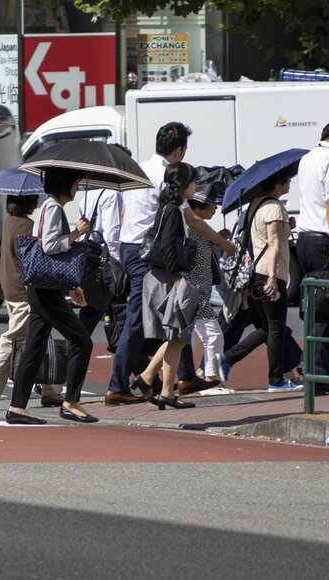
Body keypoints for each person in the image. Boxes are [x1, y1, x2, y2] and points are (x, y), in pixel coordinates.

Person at [111, 122, 228, 405]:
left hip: (130, 246)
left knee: (179, 313)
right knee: (140, 320)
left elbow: (124, 211)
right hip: (151, 252)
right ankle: (119, 385)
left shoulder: (137, 168)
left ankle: (182, 375)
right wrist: (224, 244)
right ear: (178, 151)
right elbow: (192, 220)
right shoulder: (168, 176)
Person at [7, 167, 96, 425]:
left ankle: (17, 407)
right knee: (82, 341)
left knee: (34, 348)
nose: (78, 187)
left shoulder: (48, 207)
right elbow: (50, 246)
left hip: (42, 287)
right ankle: (71, 402)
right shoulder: (54, 208)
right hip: (46, 292)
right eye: (76, 182)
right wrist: (77, 234)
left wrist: (70, 286)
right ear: (65, 183)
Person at [0, 193, 65, 410]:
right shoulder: (26, 226)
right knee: (14, 338)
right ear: (26, 202)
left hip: (11, 288)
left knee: (40, 336)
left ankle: (51, 390)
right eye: (34, 198)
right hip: (24, 291)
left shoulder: (9, 221)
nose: (37, 201)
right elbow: (34, 261)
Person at [214, 170, 304, 392]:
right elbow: (273, 243)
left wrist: (286, 226)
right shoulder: (274, 208)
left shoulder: (256, 204)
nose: (290, 182)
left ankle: (228, 358)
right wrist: (273, 277)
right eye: (287, 179)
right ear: (277, 183)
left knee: (268, 327)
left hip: (255, 272)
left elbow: (264, 237)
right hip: (270, 273)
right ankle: (275, 380)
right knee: (275, 327)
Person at [128, 162, 200, 410]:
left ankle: (156, 384)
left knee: (176, 336)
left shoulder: (170, 208)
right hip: (166, 278)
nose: (195, 186)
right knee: (177, 335)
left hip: (160, 277)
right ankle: (155, 383)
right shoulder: (172, 210)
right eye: (192, 181)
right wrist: (178, 278)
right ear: (182, 185)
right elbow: (169, 246)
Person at [295, 118, 329, 394]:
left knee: (315, 310)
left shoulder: (308, 157)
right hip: (325, 240)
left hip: (305, 239)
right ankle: (322, 376)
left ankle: (313, 372)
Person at [78, 143, 126, 336]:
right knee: (118, 313)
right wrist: (119, 268)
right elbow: (112, 234)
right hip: (106, 260)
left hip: (90, 259)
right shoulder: (112, 194)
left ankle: (74, 349)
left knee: (92, 309)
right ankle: (133, 361)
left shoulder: (87, 195)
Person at [183, 188, 225, 386]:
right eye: (211, 203)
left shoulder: (196, 229)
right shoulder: (192, 228)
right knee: (213, 334)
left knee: (187, 339)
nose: (216, 207)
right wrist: (219, 240)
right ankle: (210, 378)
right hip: (195, 292)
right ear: (198, 206)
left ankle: (179, 377)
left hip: (195, 291)